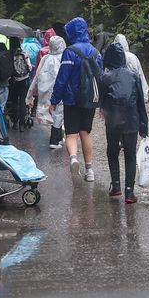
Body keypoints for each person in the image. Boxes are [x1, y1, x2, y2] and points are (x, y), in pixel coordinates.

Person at [51, 17, 103, 183]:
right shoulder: (96, 52)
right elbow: (100, 78)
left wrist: (54, 99)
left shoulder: (70, 51)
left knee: (72, 134)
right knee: (85, 133)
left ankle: (73, 159)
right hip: (90, 100)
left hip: (71, 100)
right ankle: (89, 170)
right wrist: (102, 102)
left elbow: (62, 79)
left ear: (72, 32)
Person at [98, 42, 148, 204]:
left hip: (113, 121)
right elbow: (141, 103)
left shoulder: (105, 78)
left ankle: (116, 186)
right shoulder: (134, 76)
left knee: (112, 152)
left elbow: (102, 101)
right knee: (130, 155)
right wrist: (144, 126)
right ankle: (129, 192)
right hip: (132, 120)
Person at [28, 34, 65, 149]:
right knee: (58, 114)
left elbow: (36, 76)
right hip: (57, 91)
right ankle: (54, 140)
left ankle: (58, 137)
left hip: (44, 91)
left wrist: (30, 94)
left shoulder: (45, 58)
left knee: (52, 114)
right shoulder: (62, 59)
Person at [114, 33, 149, 106]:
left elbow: (107, 76)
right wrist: (144, 96)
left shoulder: (113, 58)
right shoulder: (133, 57)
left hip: (117, 95)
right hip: (132, 93)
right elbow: (140, 76)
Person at [5, 36, 32, 130]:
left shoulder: (9, 54)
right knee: (23, 102)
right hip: (24, 80)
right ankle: (21, 125)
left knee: (15, 101)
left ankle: (15, 123)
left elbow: (8, 69)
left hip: (14, 81)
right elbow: (29, 67)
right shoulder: (24, 53)